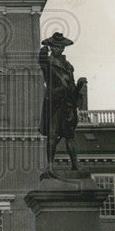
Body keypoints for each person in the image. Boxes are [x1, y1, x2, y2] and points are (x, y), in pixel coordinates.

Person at [38, 32, 86, 172]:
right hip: (54, 102)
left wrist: (79, 85)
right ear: (52, 47)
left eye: (61, 46)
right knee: (53, 134)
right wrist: (44, 48)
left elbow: (71, 88)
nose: (59, 49)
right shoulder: (48, 62)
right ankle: (50, 166)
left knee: (69, 136)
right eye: (56, 46)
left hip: (67, 103)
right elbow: (41, 60)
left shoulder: (68, 66)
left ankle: (75, 164)